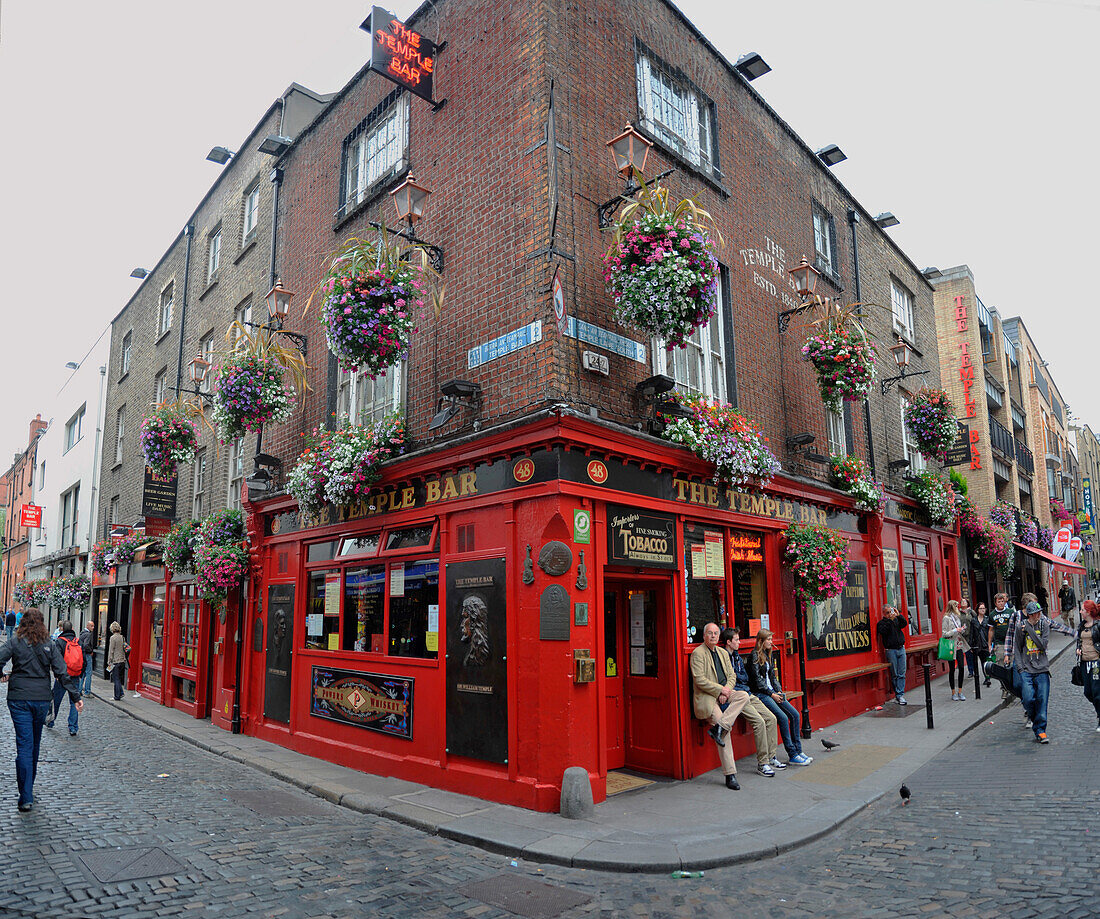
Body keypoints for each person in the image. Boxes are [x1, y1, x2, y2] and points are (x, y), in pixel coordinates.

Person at [0, 609, 83, 811]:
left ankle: (25, 794)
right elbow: (61, 672)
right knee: (34, 744)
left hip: (19, 698)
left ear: (23, 623)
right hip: (41, 699)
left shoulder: (15, 642)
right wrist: (75, 696)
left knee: (24, 745)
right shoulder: (49, 644)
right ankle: (28, 789)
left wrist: (1, 674)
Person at [689, 622, 751, 790]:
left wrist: (727, 691)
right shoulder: (697, 653)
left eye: (716, 633)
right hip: (708, 698)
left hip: (725, 695)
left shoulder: (723, 652)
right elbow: (699, 680)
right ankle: (730, 775)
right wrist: (720, 691)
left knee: (744, 696)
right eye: (710, 633)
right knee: (725, 733)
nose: (713, 636)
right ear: (704, 636)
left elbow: (732, 675)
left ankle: (719, 728)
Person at [1003, 600, 1075, 743]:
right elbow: (1017, 647)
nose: (1039, 615)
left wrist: (1029, 629)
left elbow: (1042, 645)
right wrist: (1020, 668)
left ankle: (1041, 731)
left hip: (1042, 668)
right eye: (1036, 613)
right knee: (1028, 698)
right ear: (1030, 614)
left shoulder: (1044, 625)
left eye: (1039, 612)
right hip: (1026, 669)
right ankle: (1035, 719)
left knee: (1042, 700)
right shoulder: (1019, 627)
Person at [746, 629, 813, 765]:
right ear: (761, 641)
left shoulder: (767, 654)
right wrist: (772, 694)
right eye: (769, 640)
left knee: (795, 714)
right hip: (762, 694)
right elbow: (758, 682)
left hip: (772, 693)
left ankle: (798, 751)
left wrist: (779, 691)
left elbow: (772, 677)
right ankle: (792, 754)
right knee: (782, 718)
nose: (771, 642)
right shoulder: (754, 656)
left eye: (771, 639)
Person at [721, 627, 780, 776]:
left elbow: (743, 677)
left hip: (748, 692)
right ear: (728, 642)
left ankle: (771, 756)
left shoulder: (737, 656)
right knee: (759, 722)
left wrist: (739, 679)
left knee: (771, 718)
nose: (739, 642)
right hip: (738, 696)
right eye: (736, 640)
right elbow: (729, 679)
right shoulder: (724, 657)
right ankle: (763, 763)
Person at [46, 620, 81, 735]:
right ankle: (73, 727)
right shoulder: (77, 641)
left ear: (62, 629)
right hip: (75, 676)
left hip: (62, 677)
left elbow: (56, 659)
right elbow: (83, 659)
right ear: (72, 628)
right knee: (74, 701)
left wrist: (57, 674)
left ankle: (51, 722)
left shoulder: (60, 642)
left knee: (56, 700)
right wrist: (80, 672)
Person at [876, 605, 909, 705]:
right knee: (894, 673)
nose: (890, 614)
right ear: (884, 614)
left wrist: (898, 615)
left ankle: (900, 694)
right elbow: (884, 631)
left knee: (902, 673)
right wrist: (890, 620)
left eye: (891, 611)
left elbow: (904, 623)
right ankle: (898, 694)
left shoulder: (896, 620)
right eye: (887, 612)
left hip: (901, 648)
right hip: (891, 650)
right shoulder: (882, 623)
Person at [1076, 600, 1100, 732]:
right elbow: (1079, 640)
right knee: (1088, 692)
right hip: (1085, 663)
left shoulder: (1098, 625)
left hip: (1096, 662)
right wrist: (1078, 649)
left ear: (1089, 612)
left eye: (1083, 610)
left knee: (1097, 691)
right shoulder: (1081, 625)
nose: (1081, 612)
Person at [987, 593, 1015, 697]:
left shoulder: (1011, 612)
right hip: (999, 643)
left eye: (1002, 601)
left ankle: (1012, 687)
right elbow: (991, 630)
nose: (1001, 603)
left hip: (1011, 643)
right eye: (999, 601)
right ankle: (1004, 688)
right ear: (995, 603)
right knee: (1001, 667)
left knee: (1012, 666)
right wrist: (989, 644)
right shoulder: (992, 615)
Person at [942, 600, 969, 701]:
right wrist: (954, 630)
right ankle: (953, 692)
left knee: (961, 667)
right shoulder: (946, 618)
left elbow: (959, 630)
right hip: (951, 646)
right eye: (956, 606)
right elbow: (944, 633)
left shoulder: (957, 618)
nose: (958, 608)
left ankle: (960, 691)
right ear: (952, 607)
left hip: (959, 645)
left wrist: (961, 629)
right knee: (952, 669)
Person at [970, 601, 993, 687]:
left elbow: (991, 631)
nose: (983, 610)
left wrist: (991, 643)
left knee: (987, 661)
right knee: (982, 661)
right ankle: (986, 677)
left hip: (986, 643)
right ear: (977, 610)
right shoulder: (974, 620)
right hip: (978, 644)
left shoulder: (988, 619)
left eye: (984, 608)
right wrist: (971, 645)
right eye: (981, 608)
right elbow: (971, 633)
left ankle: (988, 678)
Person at [106, 621, 129, 701]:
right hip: (122, 661)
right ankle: (121, 693)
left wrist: (109, 660)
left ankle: (117, 696)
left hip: (116, 661)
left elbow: (111, 650)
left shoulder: (113, 638)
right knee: (118, 678)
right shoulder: (122, 637)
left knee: (116, 679)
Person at [958, 598, 977, 678]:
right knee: (967, 654)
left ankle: (974, 670)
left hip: (971, 635)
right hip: (962, 636)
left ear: (968, 603)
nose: (963, 602)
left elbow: (976, 620)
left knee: (972, 654)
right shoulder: (958, 613)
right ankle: (970, 671)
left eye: (965, 601)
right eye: (962, 601)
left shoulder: (971, 612)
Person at [78, 619, 96, 696]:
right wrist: (90, 651)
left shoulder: (82, 633)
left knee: (84, 673)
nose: (93, 627)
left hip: (82, 654)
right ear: (87, 626)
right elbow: (86, 645)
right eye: (91, 626)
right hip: (87, 654)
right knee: (89, 673)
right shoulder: (88, 634)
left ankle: (79, 689)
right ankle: (87, 691)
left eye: (93, 626)